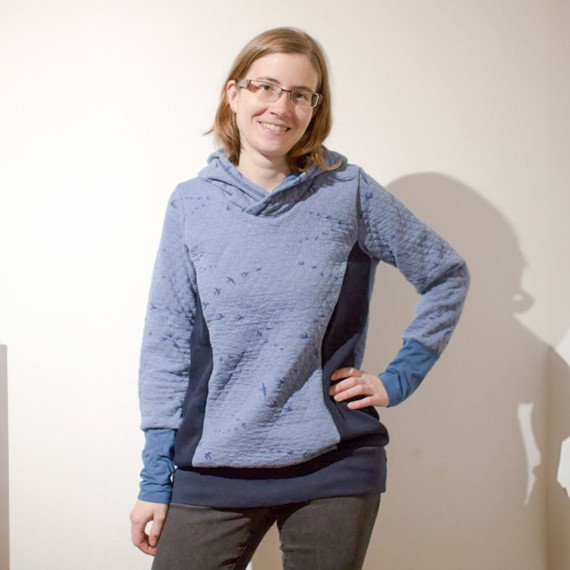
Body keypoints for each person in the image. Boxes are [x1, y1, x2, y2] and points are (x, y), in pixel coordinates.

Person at [129, 26, 470, 570]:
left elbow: (446, 274)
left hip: (333, 466)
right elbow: (166, 344)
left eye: (299, 94)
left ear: (315, 108)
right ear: (234, 93)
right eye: (265, 87)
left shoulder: (347, 191)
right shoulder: (192, 204)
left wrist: (398, 378)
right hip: (213, 465)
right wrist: (155, 478)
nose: (280, 107)